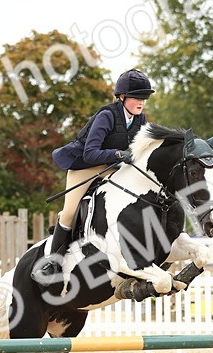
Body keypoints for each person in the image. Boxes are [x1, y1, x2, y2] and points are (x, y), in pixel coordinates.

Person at [37, 68, 155, 278]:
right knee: (70, 211)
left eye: (144, 98)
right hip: (85, 166)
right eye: (137, 97)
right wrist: (119, 154)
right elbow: (90, 153)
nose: (141, 102)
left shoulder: (140, 119)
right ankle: (53, 262)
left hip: (112, 167)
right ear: (122, 97)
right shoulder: (107, 116)